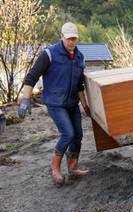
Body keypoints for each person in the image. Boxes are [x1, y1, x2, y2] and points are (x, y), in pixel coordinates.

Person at [18, 22, 90, 186]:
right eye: (69, 39)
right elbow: (31, 77)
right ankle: (55, 168)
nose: (72, 42)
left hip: (72, 104)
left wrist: (85, 106)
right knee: (68, 134)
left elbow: (80, 86)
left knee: (78, 135)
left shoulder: (79, 57)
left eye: (75, 39)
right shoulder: (49, 54)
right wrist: (25, 99)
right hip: (55, 104)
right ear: (61, 37)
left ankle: (73, 167)